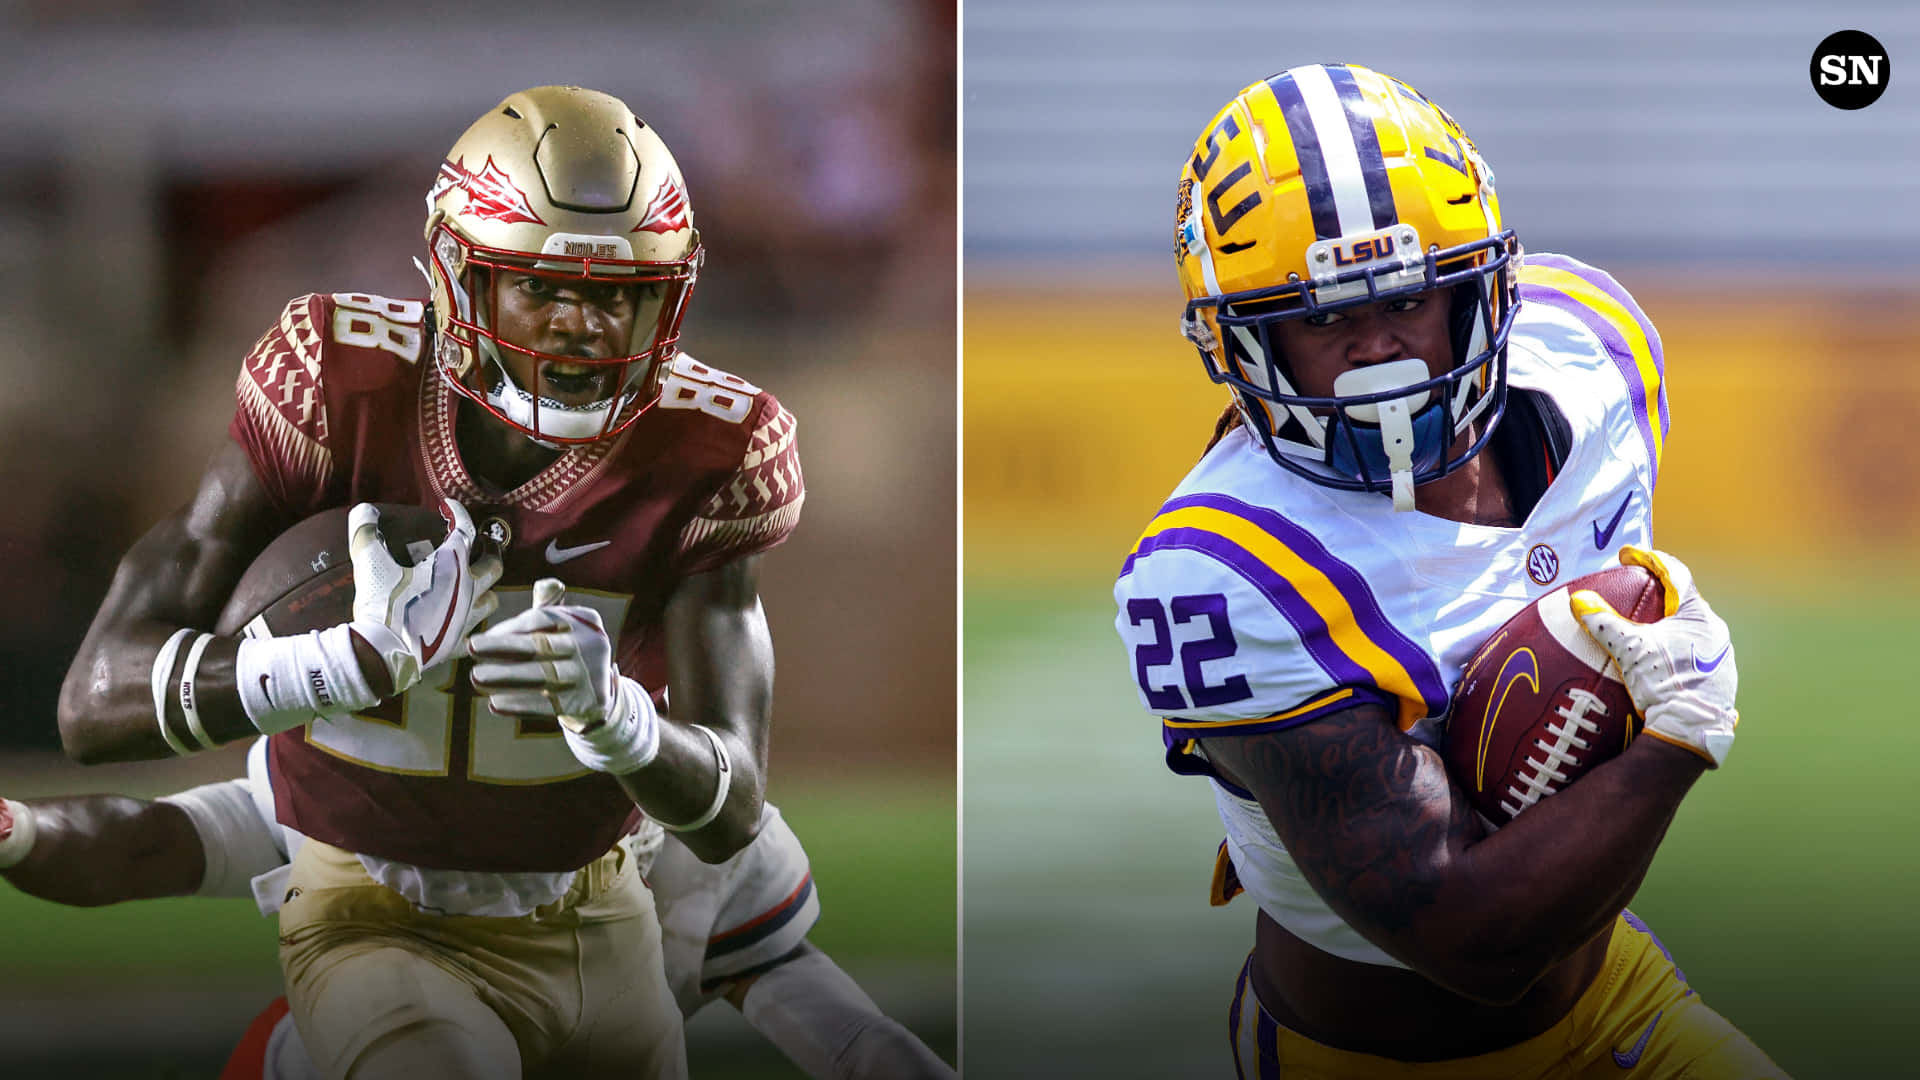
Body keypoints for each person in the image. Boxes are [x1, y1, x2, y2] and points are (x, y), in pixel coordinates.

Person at [55, 85, 804, 1079]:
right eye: (542, 284)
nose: (584, 323)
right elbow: (95, 703)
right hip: (370, 903)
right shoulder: (337, 384)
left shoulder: (716, 447)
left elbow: (731, 812)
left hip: (598, 918)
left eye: (620, 292)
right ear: (460, 277)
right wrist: (334, 664)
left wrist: (620, 721)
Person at [1111, 64, 1785, 1077]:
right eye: (1324, 320)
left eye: (1408, 302)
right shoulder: (1224, 571)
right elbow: (1470, 943)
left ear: (1482, 289)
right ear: (1241, 345)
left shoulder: (1593, 352)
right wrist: (1675, 739)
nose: (1378, 354)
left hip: (1618, 1002)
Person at [0, 740, 956, 1080]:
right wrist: (17, 830)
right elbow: (144, 842)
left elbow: (838, 1027)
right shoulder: (356, 782)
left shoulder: (693, 844)